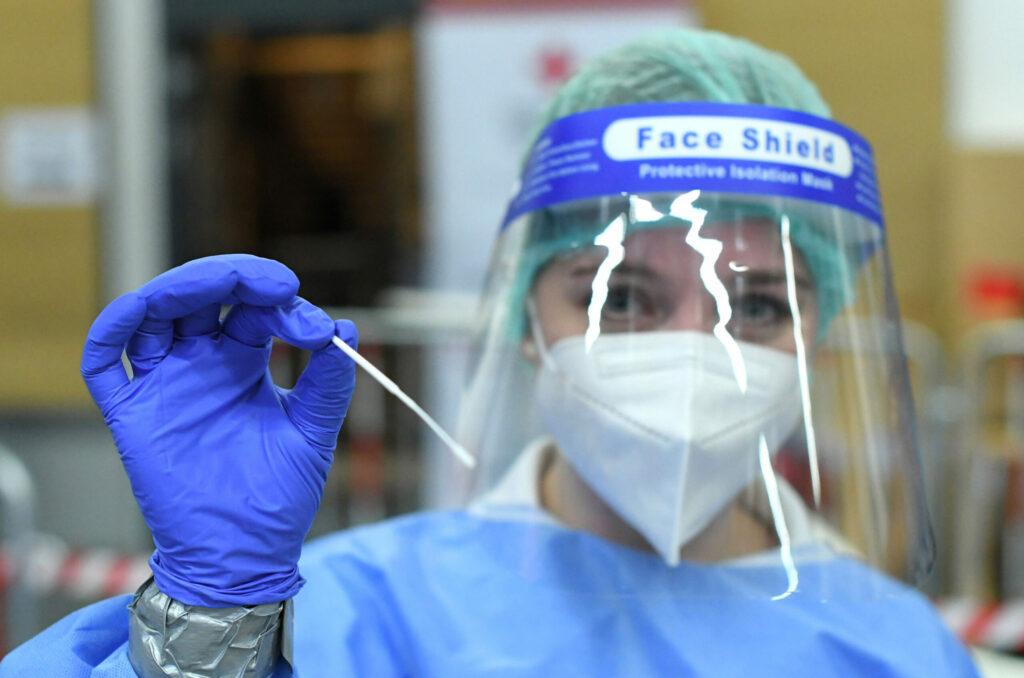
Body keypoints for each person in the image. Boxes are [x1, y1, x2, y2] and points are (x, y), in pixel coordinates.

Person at [0, 28, 979, 677]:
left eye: (756, 303)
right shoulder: (346, 618)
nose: (694, 348)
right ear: (524, 316)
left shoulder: (897, 651)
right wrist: (207, 630)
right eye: (620, 297)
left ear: (818, 330)